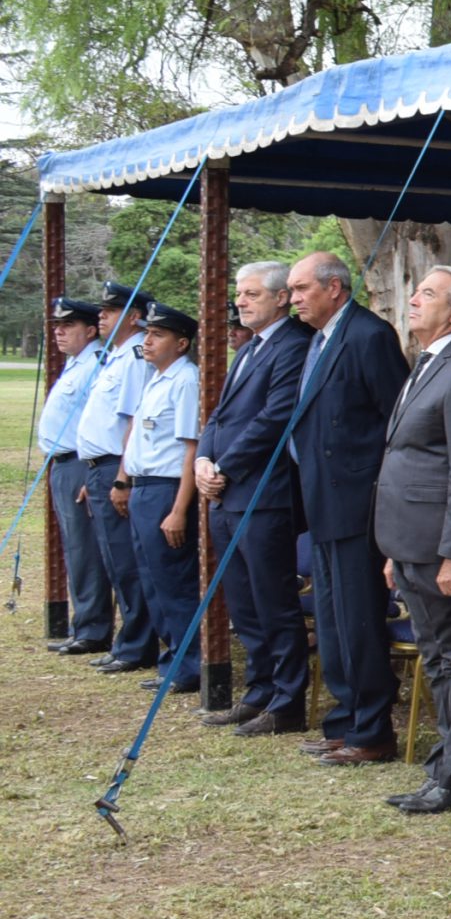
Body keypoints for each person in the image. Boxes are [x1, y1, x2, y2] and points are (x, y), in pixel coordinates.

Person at [374, 266, 451, 812]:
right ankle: (446, 764)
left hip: (438, 543)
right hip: (408, 538)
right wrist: (395, 550)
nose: (414, 300)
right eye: (416, 290)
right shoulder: (427, 362)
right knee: (436, 655)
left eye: (427, 294)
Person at [287, 251, 410, 764]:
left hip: (358, 502)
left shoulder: (367, 336)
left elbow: (395, 423)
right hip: (320, 497)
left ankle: (372, 728)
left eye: (301, 289)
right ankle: (345, 717)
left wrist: (379, 497)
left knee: (358, 618)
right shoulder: (318, 340)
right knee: (334, 619)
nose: (292, 299)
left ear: (335, 288)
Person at [195, 264, 314, 733]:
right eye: (239, 294)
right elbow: (220, 416)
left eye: (251, 294)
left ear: (281, 297)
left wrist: (224, 467)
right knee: (243, 603)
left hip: (264, 495)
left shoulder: (293, 346)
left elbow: (274, 418)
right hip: (226, 496)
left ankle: (287, 701)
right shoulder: (249, 348)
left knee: (273, 600)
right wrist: (203, 460)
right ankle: (260, 690)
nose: (240, 302)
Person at [119, 302, 202, 692]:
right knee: (152, 580)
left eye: (157, 335)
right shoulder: (157, 378)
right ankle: (172, 659)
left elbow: (191, 448)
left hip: (167, 490)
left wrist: (179, 509)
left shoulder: (185, 380)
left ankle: (189, 665)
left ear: (181, 343)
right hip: (143, 487)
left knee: (174, 581)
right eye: (146, 333)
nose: (147, 341)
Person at [78, 287, 155, 675]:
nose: (101, 317)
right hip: (99, 465)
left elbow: (132, 422)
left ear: (134, 315)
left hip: (116, 465)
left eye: (110, 311)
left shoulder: (137, 355)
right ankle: (130, 640)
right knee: (114, 558)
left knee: (126, 560)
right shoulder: (118, 356)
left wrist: (121, 477)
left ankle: (138, 644)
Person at [38, 297, 113, 657]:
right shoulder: (76, 364)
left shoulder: (95, 365)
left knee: (86, 549)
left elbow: (98, 423)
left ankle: (93, 628)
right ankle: (84, 621)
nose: (59, 332)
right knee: (75, 546)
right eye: (56, 326)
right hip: (62, 463)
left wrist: (90, 473)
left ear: (90, 329)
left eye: (67, 326)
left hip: (80, 464)